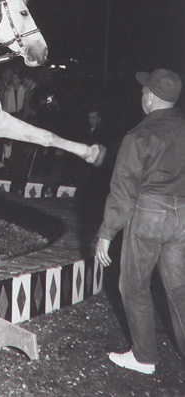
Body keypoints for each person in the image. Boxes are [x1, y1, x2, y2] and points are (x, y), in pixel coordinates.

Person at [96, 68, 185, 375]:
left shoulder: (139, 135)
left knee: (134, 286)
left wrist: (107, 232)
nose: (141, 95)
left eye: (144, 91)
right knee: (179, 290)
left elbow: (123, 187)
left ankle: (144, 357)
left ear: (149, 97)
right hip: (183, 215)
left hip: (149, 212)